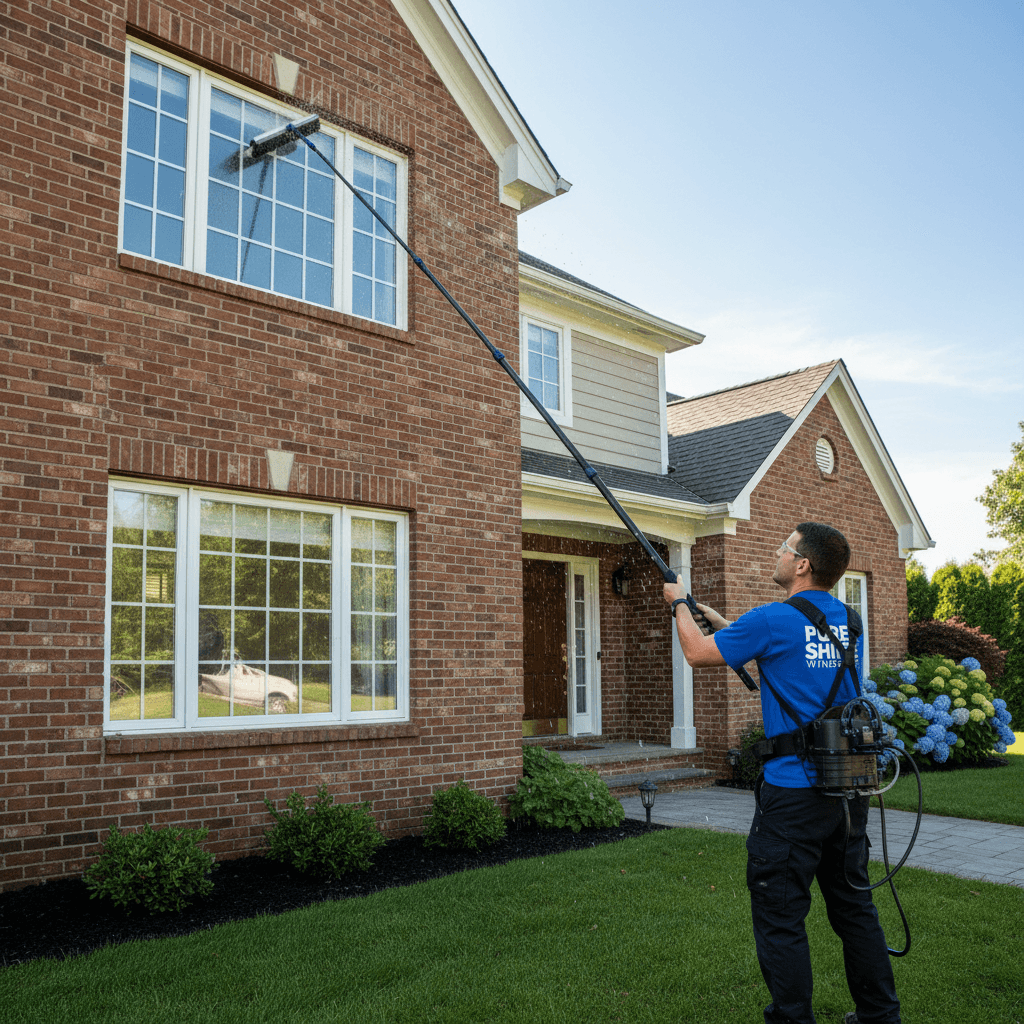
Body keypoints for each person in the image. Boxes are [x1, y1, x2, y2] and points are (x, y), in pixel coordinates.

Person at [664, 522, 900, 1024]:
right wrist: (724, 623)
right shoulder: (847, 620)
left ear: (802, 564)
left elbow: (696, 653)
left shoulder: (774, 619)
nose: (777, 551)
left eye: (785, 547)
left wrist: (679, 604)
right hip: (847, 790)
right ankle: (880, 1016)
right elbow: (793, 660)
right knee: (854, 909)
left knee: (781, 916)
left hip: (793, 794)